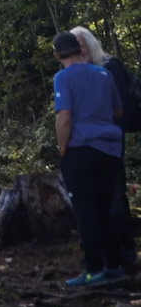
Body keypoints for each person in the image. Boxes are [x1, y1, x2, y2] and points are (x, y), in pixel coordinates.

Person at [51, 31, 127, 287]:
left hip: (81, 149)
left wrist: (62, 148)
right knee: (105, 209)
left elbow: (64, 117)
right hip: (109, 149)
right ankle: (114, 265)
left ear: (57, 54)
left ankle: (93, 269)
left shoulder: (62, 77)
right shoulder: (103, 73)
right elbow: (118, 109)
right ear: (79, 50)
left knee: (86, 212)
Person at [71, 26, 138, 264]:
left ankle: (125, 250)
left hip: (109, 141)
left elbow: (118, 106)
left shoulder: (108, 66)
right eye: (74, 44)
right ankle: (109, 250)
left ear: (90, 42)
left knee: (114, 195)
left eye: (81, 42)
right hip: (93, 143)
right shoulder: (83, 71)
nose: (79, 48)